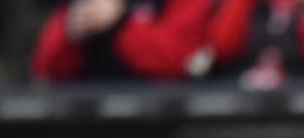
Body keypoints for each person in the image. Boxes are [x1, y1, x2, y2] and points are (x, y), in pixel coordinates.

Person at [32, 0, 223, 81]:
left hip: (157, 121)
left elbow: (181, 60)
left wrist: (120, 21)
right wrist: (73, 29)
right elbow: (45, 68)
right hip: (85, 121)